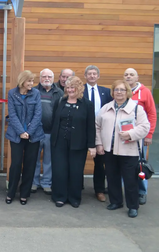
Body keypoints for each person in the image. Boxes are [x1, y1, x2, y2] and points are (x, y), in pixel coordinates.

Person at [95, 80, 150, 218]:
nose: (119, 92)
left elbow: (144, 127)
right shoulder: (106, 108)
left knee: (130, 179)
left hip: (129, 151)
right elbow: (97, 126)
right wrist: (99, 144)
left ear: (128, 92)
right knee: (112, 177)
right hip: (109, 150)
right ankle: (116, 201)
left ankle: (133, 206)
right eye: (116, 90)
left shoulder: (137, 109)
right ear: (112, 92)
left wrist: (130, 134)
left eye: (122, 90)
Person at [51, 76, 96, 208]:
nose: (70, 90)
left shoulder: (87, 104)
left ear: (79, 89)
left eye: (73, 87)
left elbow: (90, 126)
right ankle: (60, 196)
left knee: (76, 171)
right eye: (68, 87)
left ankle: (74, 197)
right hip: (59, 142)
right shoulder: (60, 101)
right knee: (60, 170)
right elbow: (55, 121)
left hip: (78, 143)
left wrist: (91, 145)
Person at [5, 70, 44, 205]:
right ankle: (11, 192)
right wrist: (21, 132)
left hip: (34, 136)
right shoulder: (12, 93)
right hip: (16, 135)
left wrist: (29, 132)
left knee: (30, 165)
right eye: (29, 81)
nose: (31, 84)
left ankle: (24, 194)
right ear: (22, 81)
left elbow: (38, 114)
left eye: (32, 81)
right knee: (15, 165)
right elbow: (12, 114)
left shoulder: (36, 93)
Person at [124, 68, 156, 205]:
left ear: (137, 78)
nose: (128, 76)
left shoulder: (145, 92)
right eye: (126, 74)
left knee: (140, 165)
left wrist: (149, 135)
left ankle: (142, 192)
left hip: (139, 137)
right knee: (125, 165)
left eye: (131, 75)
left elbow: (152, 114)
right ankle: (126, 190)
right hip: (124, 136)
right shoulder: (121, 91)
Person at [83, 65, 112, 202]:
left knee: (100, 163)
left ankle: (99, 190)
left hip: (100, 131)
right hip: (82, 131)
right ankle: (77, 187)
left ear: (98, 76)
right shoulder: (79, 90)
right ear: (85, 76)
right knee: (78, 161)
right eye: (89, 74)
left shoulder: (106, 92)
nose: (92, 76)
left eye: (95, 74)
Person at [31, 68, 63, 195]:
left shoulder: (59, 92)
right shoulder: (34, 91)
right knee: (34, 158)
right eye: (44, 76)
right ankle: (34, 182)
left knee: (49, 160)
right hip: (35, 132)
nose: (47, 79)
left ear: (53, 78)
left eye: (49, 76)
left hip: (51, 132)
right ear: (40, 78)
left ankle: (46, 183)